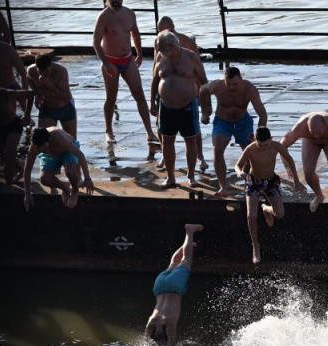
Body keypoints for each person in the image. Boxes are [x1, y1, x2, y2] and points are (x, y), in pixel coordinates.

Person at [93, 0, 160, 147]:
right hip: (110, 60)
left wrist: (140, 54)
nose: (116, 1)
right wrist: (106, 62)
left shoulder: (129, 13)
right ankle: (109, 131)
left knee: (140, 95)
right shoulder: (104, 16)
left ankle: (149, 132)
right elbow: (96, 42)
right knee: (111, 98)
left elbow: (135, 34)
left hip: (128, 59)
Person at [235, 127, 305, 264]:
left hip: (271, 181)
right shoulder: (250, 149)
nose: (262, 148)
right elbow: (238, 165)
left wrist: (297, 181)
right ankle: (255, 245)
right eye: (260, 145)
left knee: (280, 214)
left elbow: (290, 160)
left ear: (271, 140)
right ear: (255, 140)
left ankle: (266, 209)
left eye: (265, 145)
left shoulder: (276, 146)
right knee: (251, 216)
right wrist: (239, 172)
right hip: (254, 182)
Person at [150, 31, 208, 188]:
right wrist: (152, 103)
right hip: (166, 106)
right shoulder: (160, 57)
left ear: (172, 46)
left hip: (188, 105)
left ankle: (191, 175)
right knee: (167, 141)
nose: (159, 51)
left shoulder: (191, 57)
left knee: (190, 140)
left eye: (161, 48)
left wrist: (206, 108)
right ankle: (170, 177)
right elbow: (155, 81)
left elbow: (204, 82)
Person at [200, 67, 267, 198]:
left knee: (250, 154)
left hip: (243, 122)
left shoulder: (249, 89)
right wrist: (204, 111)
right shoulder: (217, 86)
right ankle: (223, 187)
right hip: (222, 122)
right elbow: (202, 91)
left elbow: (262, 114)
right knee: (217, 150)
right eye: (228, 84)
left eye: (235, 84)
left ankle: (249, 182)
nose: (231, 88)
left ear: (241, 80)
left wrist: (260, 136)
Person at [280, 112, 328, 212]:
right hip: (310, 142)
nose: (317, 136)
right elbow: (282, 145)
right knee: (308, 171)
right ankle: (319, 195)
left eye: (319, 132)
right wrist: (287, 167)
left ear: (325, 126)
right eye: (313, 132)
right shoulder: (300, 127)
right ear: (307, 127)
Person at [147, 223, 204, 346]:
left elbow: (171, 344)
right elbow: (145, 342)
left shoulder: (169, 323)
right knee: (173, 263)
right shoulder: (151, 321)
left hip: (175, 287)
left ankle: (189, 232)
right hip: (159, 287)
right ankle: (187, 244)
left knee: (186, 258)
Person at [22, 127, 93, 211]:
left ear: (49, 139)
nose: (42, 150)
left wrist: (87, 178)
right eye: (39, 148)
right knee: (44, 179)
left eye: (44, 147)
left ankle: (74, 190)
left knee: (70, 171)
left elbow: (80, 155)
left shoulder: (58, 137)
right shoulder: (34, 146)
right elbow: (27, 169)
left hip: (67, 151)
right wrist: (27, 193)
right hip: (51, 156)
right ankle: (65, 187)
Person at [26, 54, 76, 139]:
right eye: (40, 71)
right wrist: (37, 93)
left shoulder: (61, 71)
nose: (43, 73)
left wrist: (50, 86)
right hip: (47, 108)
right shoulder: (31, 70)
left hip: (65, 107)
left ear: (51, 65)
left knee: (72, 141)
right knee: (43, 139)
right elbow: (28, 78)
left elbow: (66, 97)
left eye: (46, 70)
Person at [0, 85, 32, 184]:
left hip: (13, 125)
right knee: (4, 155)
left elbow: (30, 94)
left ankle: (8, 184)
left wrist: (27, 116)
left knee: (9, 153)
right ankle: (22, 171)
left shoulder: (3, 93)